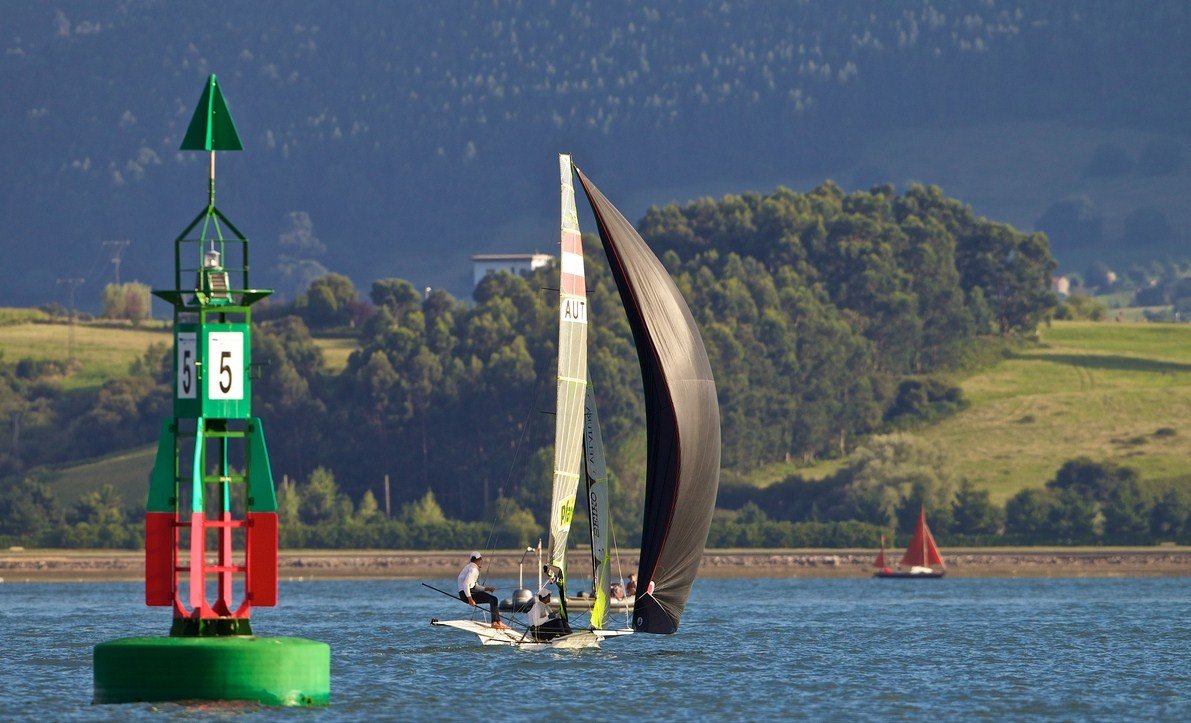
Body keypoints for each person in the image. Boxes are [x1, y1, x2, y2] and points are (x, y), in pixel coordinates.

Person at [457, 552, 506, 629]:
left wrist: (486, 589)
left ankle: (498, 622)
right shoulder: (473, 569)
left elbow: (474, 586)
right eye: (480, 560)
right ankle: (495, 622)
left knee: (493, 599)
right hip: (467, 594)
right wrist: (470, 599)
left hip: (465, 593)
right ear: (479, 560)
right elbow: (466, 584)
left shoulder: (469, 567)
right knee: (493, 599)